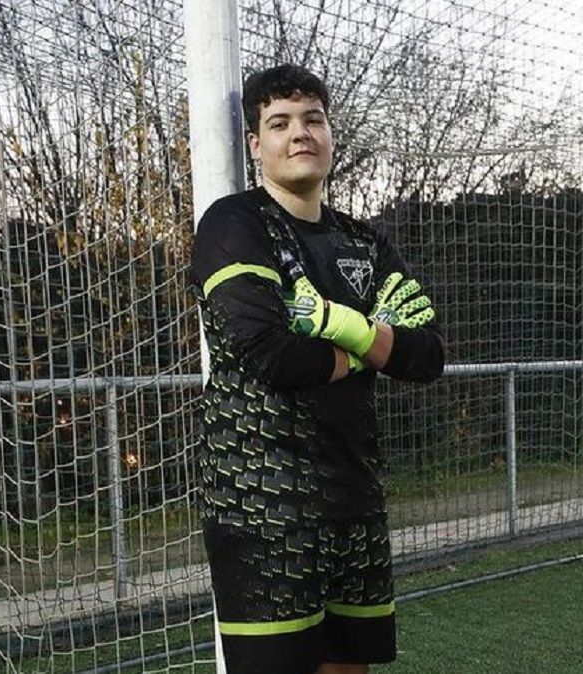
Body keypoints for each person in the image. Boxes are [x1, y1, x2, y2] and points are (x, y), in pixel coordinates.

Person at [190, 64, 444, 674]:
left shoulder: (366, 242)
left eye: (313, 119)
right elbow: (272, 355)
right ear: (257, 145)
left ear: (330, 134)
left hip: (355, 496)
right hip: (263, 507)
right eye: (279, 123)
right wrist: (371, 339)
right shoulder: (234, 224)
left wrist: (335, 324)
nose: (299, 133)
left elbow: (428, 356)